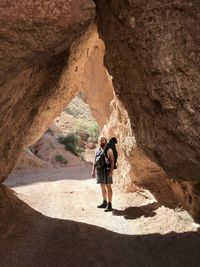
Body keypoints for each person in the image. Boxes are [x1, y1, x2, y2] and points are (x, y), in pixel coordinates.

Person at [92, 136, 116, 212]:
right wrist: (93, 171)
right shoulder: (97, 151)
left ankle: (110, 204)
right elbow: (94, 161)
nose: (102, 141)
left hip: (107, 170)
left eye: (104, 140)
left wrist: (111, 171)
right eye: (101, 140)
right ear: (99, 141)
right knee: (102, 187)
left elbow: (112, 161)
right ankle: (104, 202)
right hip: (99, 171)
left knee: (108, 187)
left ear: (106, 141)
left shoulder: (109, 150)